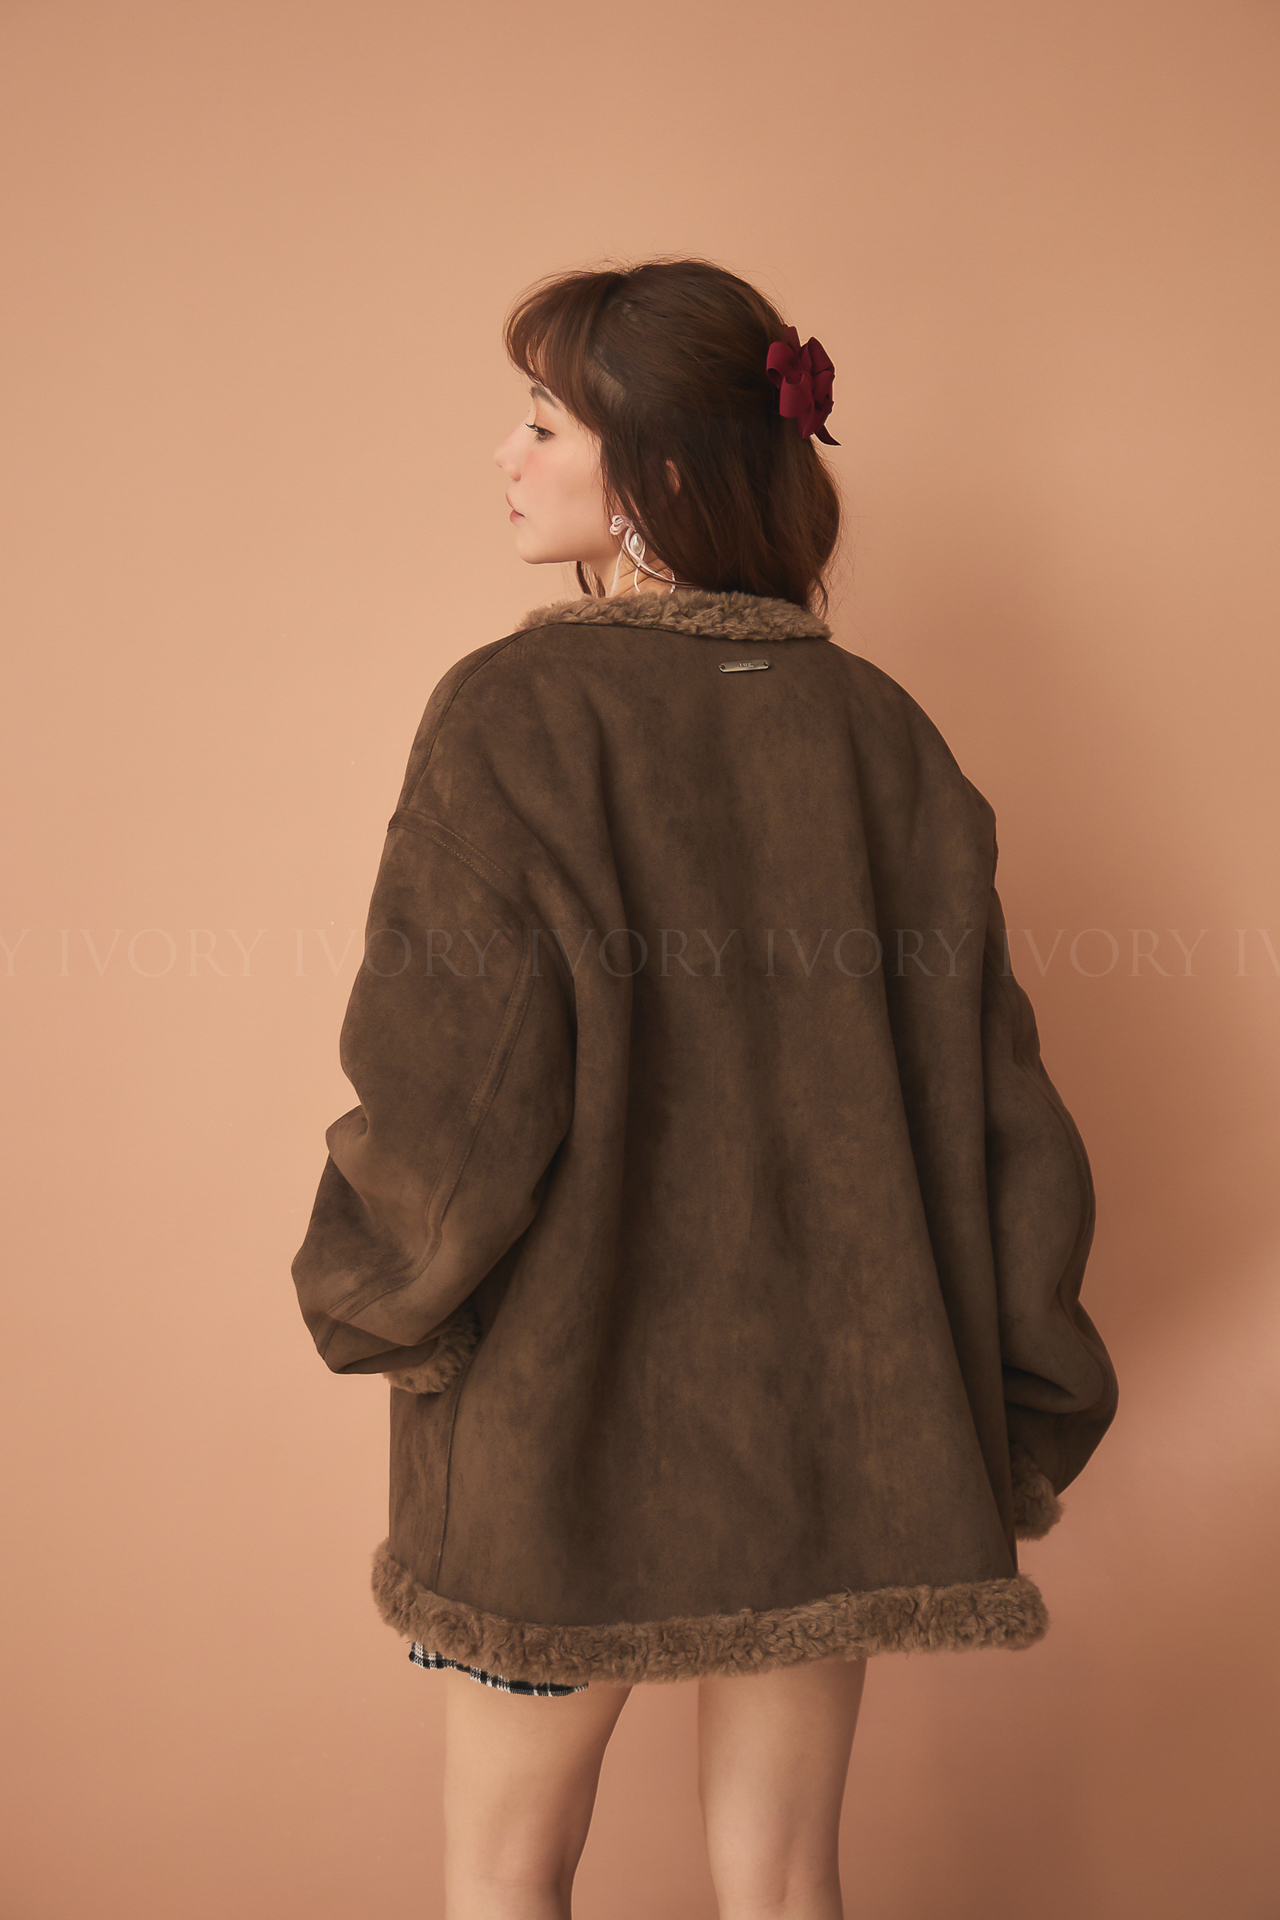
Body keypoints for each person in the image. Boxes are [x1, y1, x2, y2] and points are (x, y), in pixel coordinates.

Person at [291, 256, 1118, 1920]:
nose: (508, 454)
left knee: (507, 1877)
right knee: (789, 1880)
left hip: (560, 1426)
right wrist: (1024, 1396)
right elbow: (999, 1108)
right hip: (837, 1422)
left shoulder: (516, 712)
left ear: (656, 468)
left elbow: (453, 1088)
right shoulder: (884, 733)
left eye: (543, 423)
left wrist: (377, 1297)